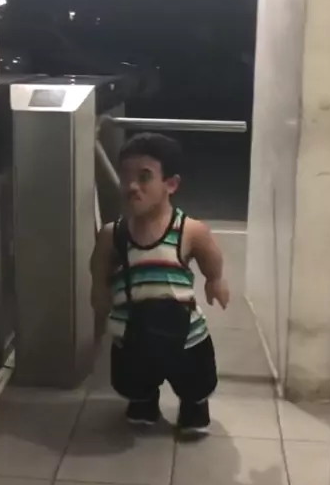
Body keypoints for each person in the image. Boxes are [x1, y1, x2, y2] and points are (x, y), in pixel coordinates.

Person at [90, 132, 229, 431]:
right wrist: (99, 296)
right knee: (134, 374)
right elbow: (99, 269)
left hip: (184, 331)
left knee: (193, 374)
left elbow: (211, 258)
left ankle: (194, 405)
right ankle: (143, 400)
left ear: (171, 184)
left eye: (144, 177)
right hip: (132, 329)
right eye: (126, 177)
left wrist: (215, 280)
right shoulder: (113, 234)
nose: (132, 186)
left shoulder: (190, 231)